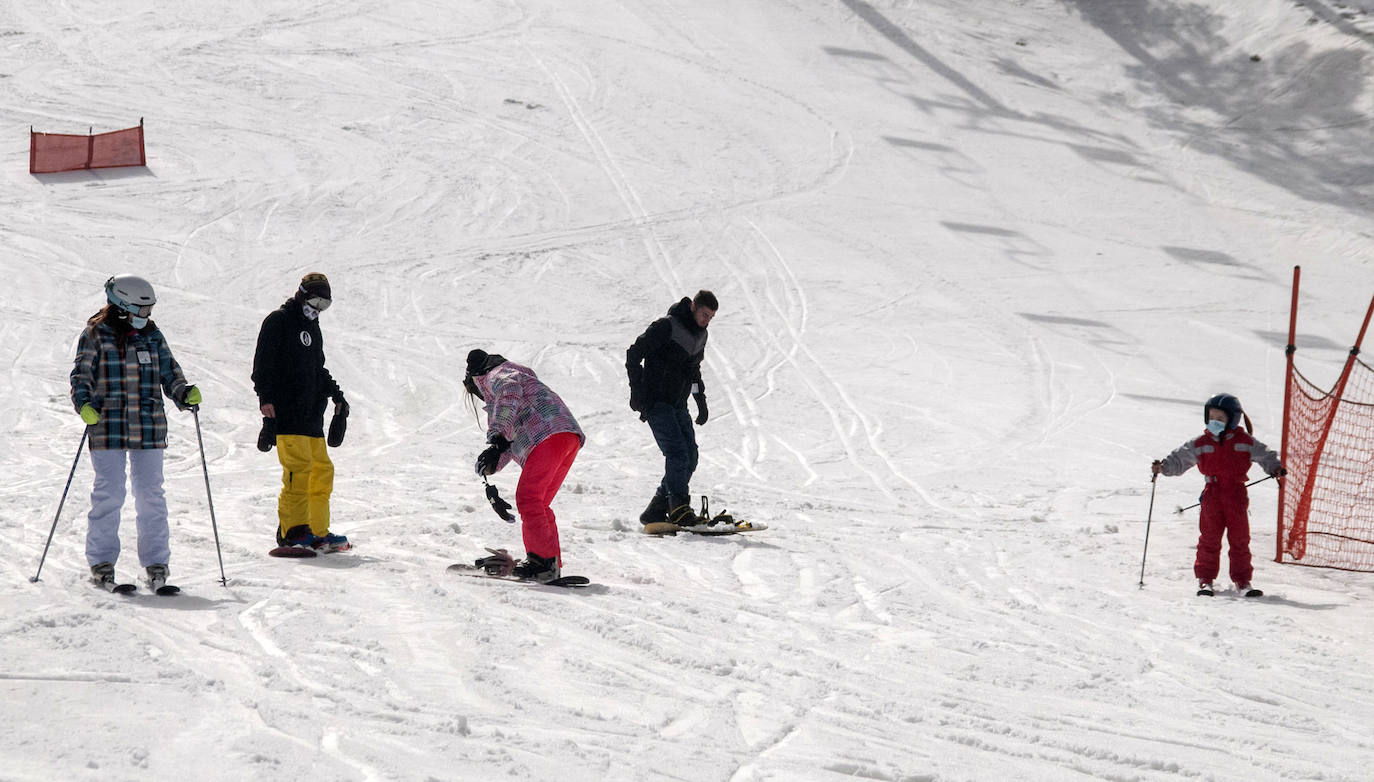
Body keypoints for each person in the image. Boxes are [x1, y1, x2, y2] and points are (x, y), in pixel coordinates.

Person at [69, 274, 200, 591]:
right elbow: (81, 375)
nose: (148, 316)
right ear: (124, 306)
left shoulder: (153, 336)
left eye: (150, 309)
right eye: (143, 310)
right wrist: (83, 404)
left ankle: (156, 563)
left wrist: (183, 392)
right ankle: (101, 561)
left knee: (151, 496)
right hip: (108, 426)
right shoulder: (96, 335)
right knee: (109, 495)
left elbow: (170, 373)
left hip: (148, 426)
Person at [464, 349, 584, 582]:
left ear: (476, 378)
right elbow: (510, 439)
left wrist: (496, 438)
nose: (479, 396)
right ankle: (550, 562)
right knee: (538, 503)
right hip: (565, 436)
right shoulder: (519, 377)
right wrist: (492, 462)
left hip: (548, 435)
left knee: (529, 499)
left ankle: (542, 562)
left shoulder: (498, 376)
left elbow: (508, 396)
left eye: (475, 391)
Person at [252, 272, 350, 552]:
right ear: (302, 294)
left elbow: (317, 369)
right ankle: (293, 532)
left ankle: (317, 531)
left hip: (311, 415)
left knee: (322, 472)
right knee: (299, 471)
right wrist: (266, 399)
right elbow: (262, 365)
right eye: (317, 301)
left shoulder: (313, 327)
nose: (319, 309)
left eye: (325, 305)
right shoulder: (278, 321)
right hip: (287, 412)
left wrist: (336, 394)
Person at [1153, 393, 1285, 596]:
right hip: (1212, 494)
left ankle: (1242, 581)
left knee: (1240, 539)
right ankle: (1205, 579)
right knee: (1209, 539)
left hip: (1236, 494)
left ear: (1232, 420)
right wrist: (1163, 467)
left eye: (1220, 418)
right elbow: (1181, 459)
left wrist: (1275, 468)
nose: (1215, 422)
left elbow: (1265, 455)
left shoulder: (1245, 441)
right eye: (1212, 417)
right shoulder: (1201, 442)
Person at [625, 290, 717, 526]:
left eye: (711, 317)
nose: (706, 321)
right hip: (657, 402)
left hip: (678, 404)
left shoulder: (700, 336)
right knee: (677, 454)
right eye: (704, 314)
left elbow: (693, 370)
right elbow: (633, 354)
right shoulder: (667, 326)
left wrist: (700, 400)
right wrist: (637, 391)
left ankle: (657, 508)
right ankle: (678, 506)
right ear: (693, 306)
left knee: (691, 456)